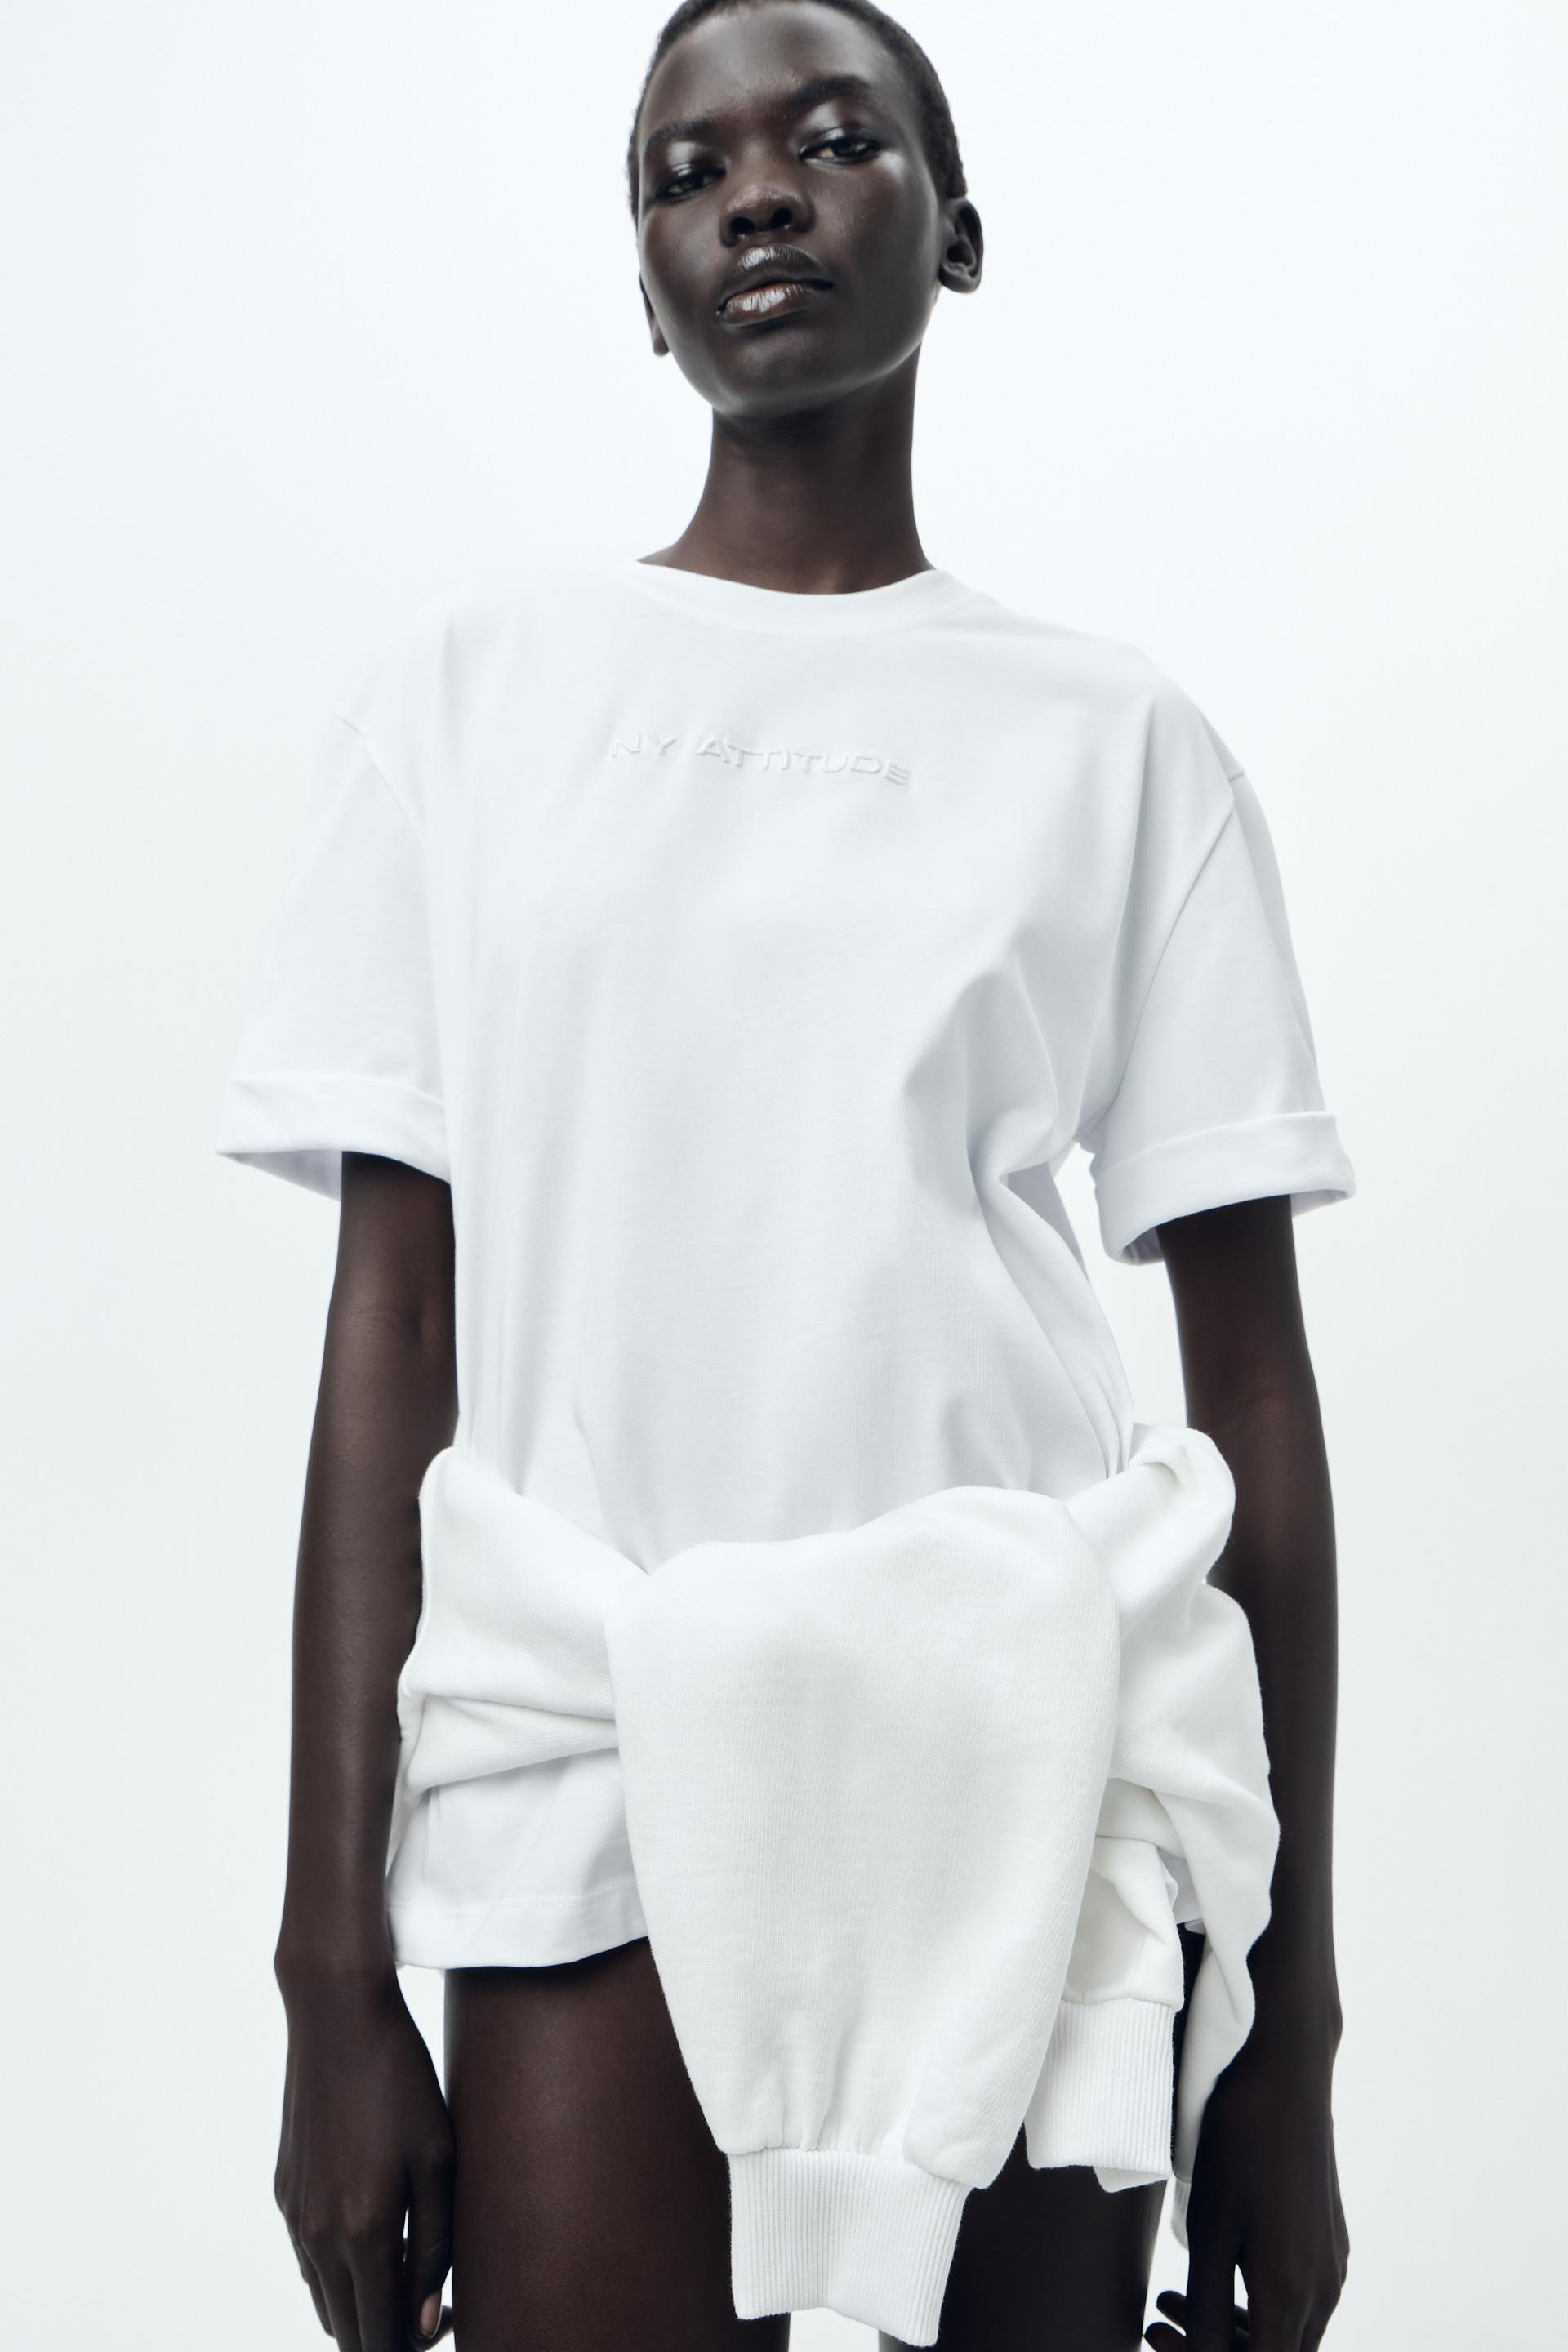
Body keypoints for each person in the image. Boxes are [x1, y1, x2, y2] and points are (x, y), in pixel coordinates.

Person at [215, 1, 1355, 2345]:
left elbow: (1251, 1393)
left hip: (1033, 1733)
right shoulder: (471, 698)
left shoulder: (1120, 741)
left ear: (958, 230)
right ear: (645, 290)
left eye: (834, 139)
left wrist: (1290, 2021)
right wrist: (332, 1968)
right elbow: (391, 1331)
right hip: (587, 1733)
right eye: (686, 168)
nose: (755, 192)